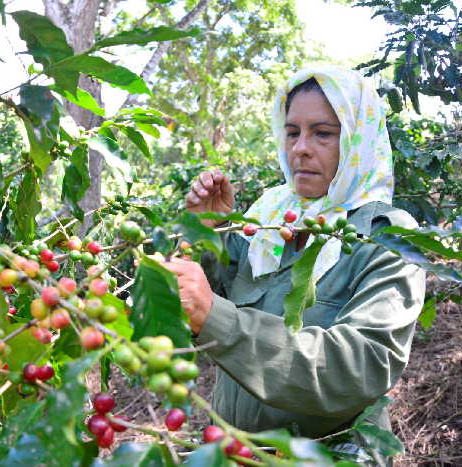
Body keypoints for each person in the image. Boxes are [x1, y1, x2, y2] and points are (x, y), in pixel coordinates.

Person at [159, 65, 426, 465]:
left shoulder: (385, 236)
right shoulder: (270, 219)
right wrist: (205, 234)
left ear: (357, 139)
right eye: (292, 132)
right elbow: (221, 291)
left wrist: (217, 318)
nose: (301, 148)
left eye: (323, 133)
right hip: (239, 451)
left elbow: (362, 366)